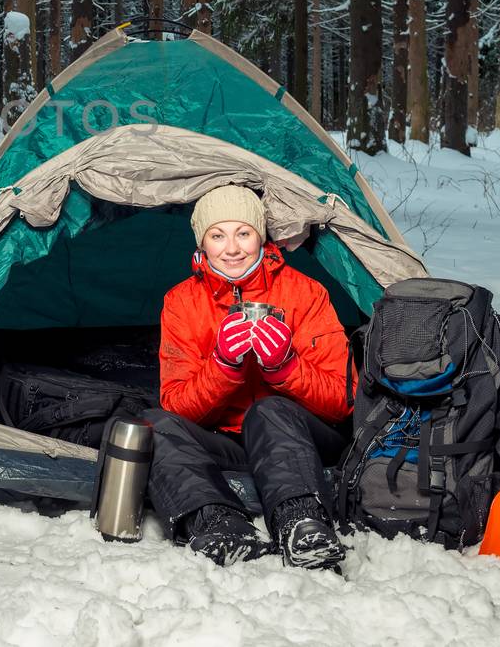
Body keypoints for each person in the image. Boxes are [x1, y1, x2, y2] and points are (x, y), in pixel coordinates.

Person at [145, 184, 351, 570]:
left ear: (261, 237)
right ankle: (220, 525)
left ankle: (301, 524)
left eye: (244, 233)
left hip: (297, 439)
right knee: (153, 424)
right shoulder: (181, 302)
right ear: (202, 243)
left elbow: (343, 400)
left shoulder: (306, 294)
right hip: (228, 440)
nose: (232, 248)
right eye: (218, 235)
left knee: (269, 410)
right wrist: (222, 366)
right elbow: (177, 405)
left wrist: (286, 367)